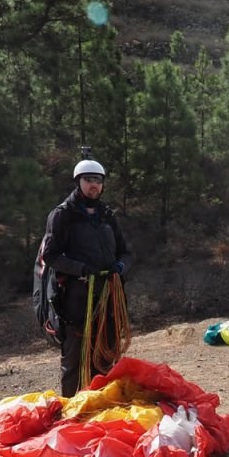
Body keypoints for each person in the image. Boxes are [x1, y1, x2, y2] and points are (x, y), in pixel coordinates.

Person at [39, 155, 133, 396]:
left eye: (98, 181)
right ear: (78, 182)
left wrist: (120, 266)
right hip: (75, 300)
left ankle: (103, 404)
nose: (94, 185)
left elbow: (125, 252)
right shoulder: (62, 215)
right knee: (75, 360)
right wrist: (80, 269)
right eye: (89, 180)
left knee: (105, 357)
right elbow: (50, 255)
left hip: (108, 299)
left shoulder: (107, 215)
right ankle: (73, 409)